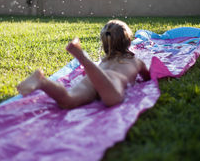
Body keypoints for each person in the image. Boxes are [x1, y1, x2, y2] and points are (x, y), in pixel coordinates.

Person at [17, 20, 151, 109]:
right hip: (112, 79)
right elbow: (148, 78)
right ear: (128, 41)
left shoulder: (104, 60)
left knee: (68, 101)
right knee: (114, 100)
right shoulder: (136, 61)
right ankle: (83, 58)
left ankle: (42, 82)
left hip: (93, 78)